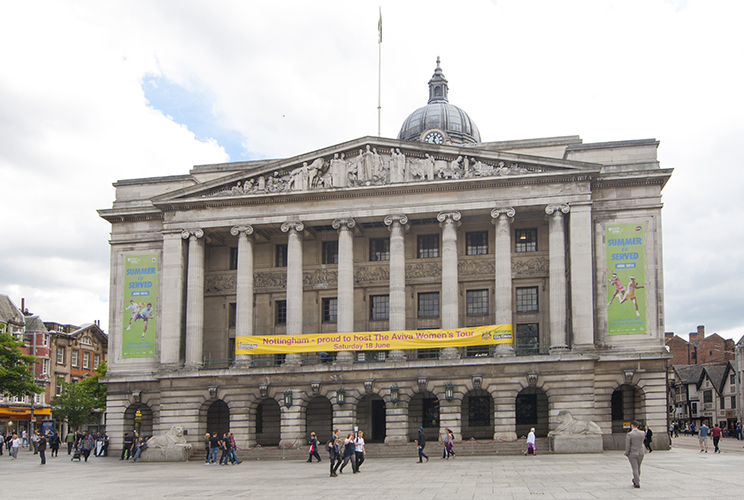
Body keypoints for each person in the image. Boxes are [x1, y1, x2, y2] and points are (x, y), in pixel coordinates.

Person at [625, 421, 646, 488]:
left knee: (635, 468)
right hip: (641, 452)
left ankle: (636, 482)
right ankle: (636, 479)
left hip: (632, 452)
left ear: (632, 426)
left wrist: (627, 452)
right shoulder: (642, 433)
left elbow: (628, 445)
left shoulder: (630, 434)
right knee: (638, 467)